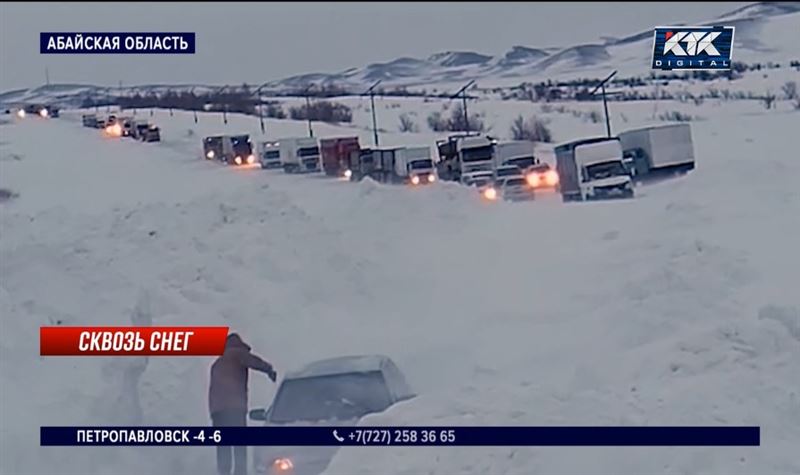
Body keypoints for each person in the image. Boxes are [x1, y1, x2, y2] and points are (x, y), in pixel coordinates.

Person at [209, 333, 277, 475]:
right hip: (234, 408)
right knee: (239, 444)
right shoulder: (236, 353)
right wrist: (269, 369)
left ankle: (223, 472)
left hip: (218, 412)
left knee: (223, 447)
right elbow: (253, 361)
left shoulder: (216, 364)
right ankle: (240, 473)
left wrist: (214, 413)